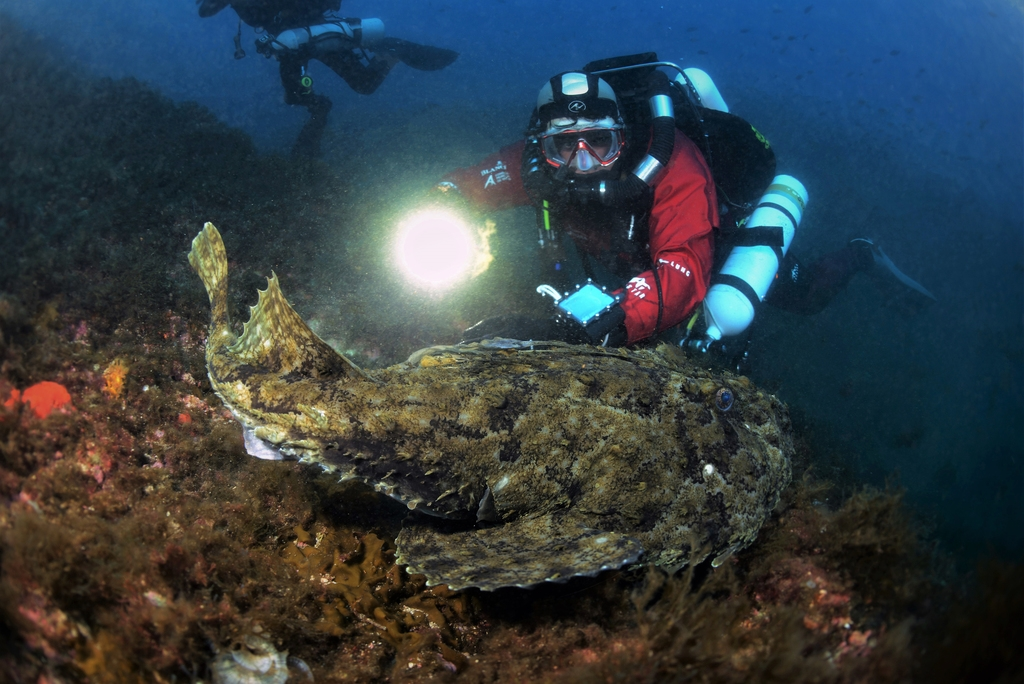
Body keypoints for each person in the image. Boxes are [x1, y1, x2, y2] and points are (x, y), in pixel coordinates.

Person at [435, 53, 934, 363]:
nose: (582, 160)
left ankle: (860, 255)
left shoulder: (675, 165)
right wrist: (442, 204)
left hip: (707, 244)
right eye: (565, 146)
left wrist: (585, 325)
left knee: (804, 296)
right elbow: (468, 185)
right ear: (539, 147)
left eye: (600, 143)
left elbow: (681, 274)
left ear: (624, 138)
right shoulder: (531, 169)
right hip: (626, 260)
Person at [197, 0, 458, 157]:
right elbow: (205, 11)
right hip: (287, 44)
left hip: (312, 34)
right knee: (294, 97)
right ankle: (319, 113)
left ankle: (393, 50)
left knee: (365, 84)